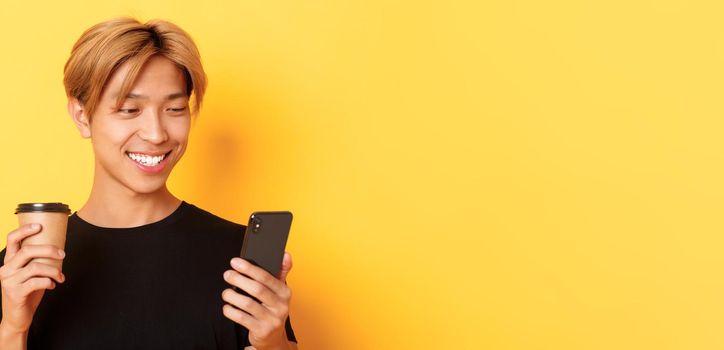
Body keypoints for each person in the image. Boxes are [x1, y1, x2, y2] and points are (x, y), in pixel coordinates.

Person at [0, 17, 299, 350]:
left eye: (174, 108)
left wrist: (273, 341)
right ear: (82, 116)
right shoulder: (23, 271)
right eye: (130, 109)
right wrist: (13, 328)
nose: (156, 134)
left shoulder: (240, 259)